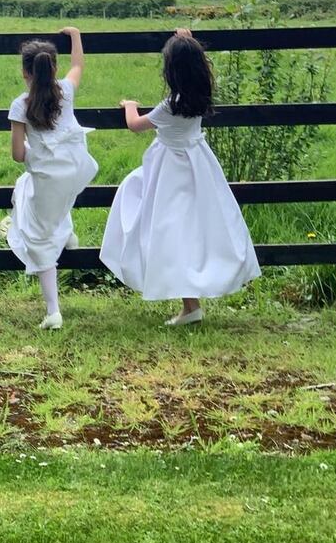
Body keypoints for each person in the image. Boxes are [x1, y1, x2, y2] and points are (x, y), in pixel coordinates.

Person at [100, 28, 260, 325]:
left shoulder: (170, 105)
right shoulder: (199, 96)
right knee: (190, 231)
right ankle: (191, 305)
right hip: (198, 166)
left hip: (169, 172)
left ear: (171, 71)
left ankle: (190, 305)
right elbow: (194, 61)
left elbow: (135, 125)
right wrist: (186, 40)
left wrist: (129, 105)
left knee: (164, 228)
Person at [5, 27, 99, 329]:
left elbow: (18, 155)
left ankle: (53, 311)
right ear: (53, 67)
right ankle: (66, 230)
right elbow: (78, 65)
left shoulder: (20, 105)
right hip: (76, 166)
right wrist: (75, 36)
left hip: (49, 174)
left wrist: (36, 148)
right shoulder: (66, 92)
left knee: (37, 234)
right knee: (47, 191)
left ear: (25, 72)